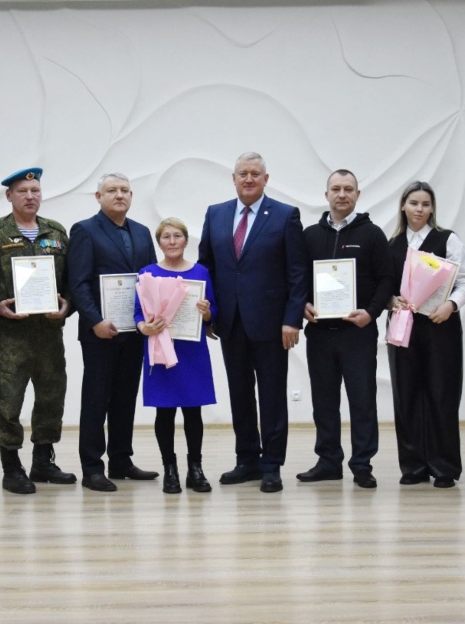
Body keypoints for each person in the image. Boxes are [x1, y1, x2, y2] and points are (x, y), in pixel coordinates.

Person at [198, 152, 309, 493]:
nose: (249, 179)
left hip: (272, 324)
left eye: (255, 174)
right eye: (243, 173)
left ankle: (272, 464)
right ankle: (247, 459)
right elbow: (207, 269)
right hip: (230, 323)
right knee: (240, 394)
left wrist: (292, 320)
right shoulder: (215, 214)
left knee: (273, 395)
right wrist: (210, 315)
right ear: (233, 178)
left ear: (266, 179)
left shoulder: (285, 216)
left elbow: (297, 272)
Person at [0, 167, 73, 495]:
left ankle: (43, 461)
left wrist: (67, 306)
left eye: (35, 190)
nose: (30, 196)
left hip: (48, 333)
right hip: (11, 336)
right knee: (8, 398)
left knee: (51, 396)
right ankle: (11, 467)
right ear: (9, 196)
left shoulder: (56, 234)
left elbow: (71, 283)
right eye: (22, 191)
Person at [297, 170, 393, 489]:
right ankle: (328, 462)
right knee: (324, 401)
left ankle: (362, 464)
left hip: (358, 333)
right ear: (325, 195)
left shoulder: (373, 235)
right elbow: (297, 280)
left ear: (357, 195)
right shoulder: (309, 235)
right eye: (336, 189)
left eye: (348, 189)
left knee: (362, 399)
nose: (342, 194)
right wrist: (302, 306)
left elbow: (386, 280)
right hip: (320, 333)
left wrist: (372, 312)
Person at [68, 173, 159, 492]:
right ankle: (92, 467)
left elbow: (150, 280)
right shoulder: (84, 230)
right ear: (98, 197)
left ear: (132, 196)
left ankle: (121, 461)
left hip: (134, 331)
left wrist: (150, 318)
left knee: (124, 398)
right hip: (100, 333)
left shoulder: (143, 232)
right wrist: (94, 320)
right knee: (96, 400)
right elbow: (77, 282)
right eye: (111, 190)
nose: (119, 195)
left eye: (124, 190)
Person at [387, 181, 465, 489]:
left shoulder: (447, 240)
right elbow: (383, 286)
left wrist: (451, 305)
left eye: (425, 204)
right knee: (406, 395)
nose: (419, 209)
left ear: (432, 208)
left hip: (441, 327)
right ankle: (412, 466)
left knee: (442, 394)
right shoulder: (392, 243)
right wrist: (390, 300)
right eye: (414, 203)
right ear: (403, 206)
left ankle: (445, 466)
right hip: (403, 327)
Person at [133, 218, 217, 494]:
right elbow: (137, 312)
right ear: (159, 243)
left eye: (177, 236)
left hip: (192, 351)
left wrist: (206, 313)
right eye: (166, 237)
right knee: (165, 411)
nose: (172, 241)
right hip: (160, 349)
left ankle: (196, 468)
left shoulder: (201, 272)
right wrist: (143, 326)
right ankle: (170, 469)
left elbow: (213, 310)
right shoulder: (147, 273)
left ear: (185, 240)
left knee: (194, 411)